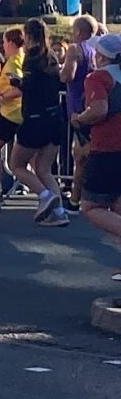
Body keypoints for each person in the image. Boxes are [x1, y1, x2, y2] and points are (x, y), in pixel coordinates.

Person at [6, 17, 71, 226]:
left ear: (29, 36)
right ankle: (59, 212)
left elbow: (31, 86)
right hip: (55, 117)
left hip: (35, 119)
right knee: (44, 168)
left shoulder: (31, 58)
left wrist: (17, 82)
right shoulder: (51, 55)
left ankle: (45, 195)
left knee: (16, 164)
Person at [71, 31, 121, 270]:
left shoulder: (98, 78)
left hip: (107, 148)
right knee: (118, 206)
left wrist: (80, 118)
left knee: (92, 207)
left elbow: (99, 109)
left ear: (102, 56)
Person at [0, 27, 28, 215]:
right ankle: (48, 194)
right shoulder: (18, 59)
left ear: (11, 43)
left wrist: (1, 96)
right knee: (30, 158)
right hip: (17, 113)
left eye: (4, 43)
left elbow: (19, 88)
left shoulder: (14, 62)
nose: (3, 47)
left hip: (12, 113)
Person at [63, 13, 99, 203]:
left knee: (82, 155)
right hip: (92, 105)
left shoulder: (75, 49)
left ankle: (79, 199)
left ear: (78, 31)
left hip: (78, 108)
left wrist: (59, 69)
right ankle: (76, 199)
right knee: (80, 155)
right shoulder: (96, 51)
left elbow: (68, 75)